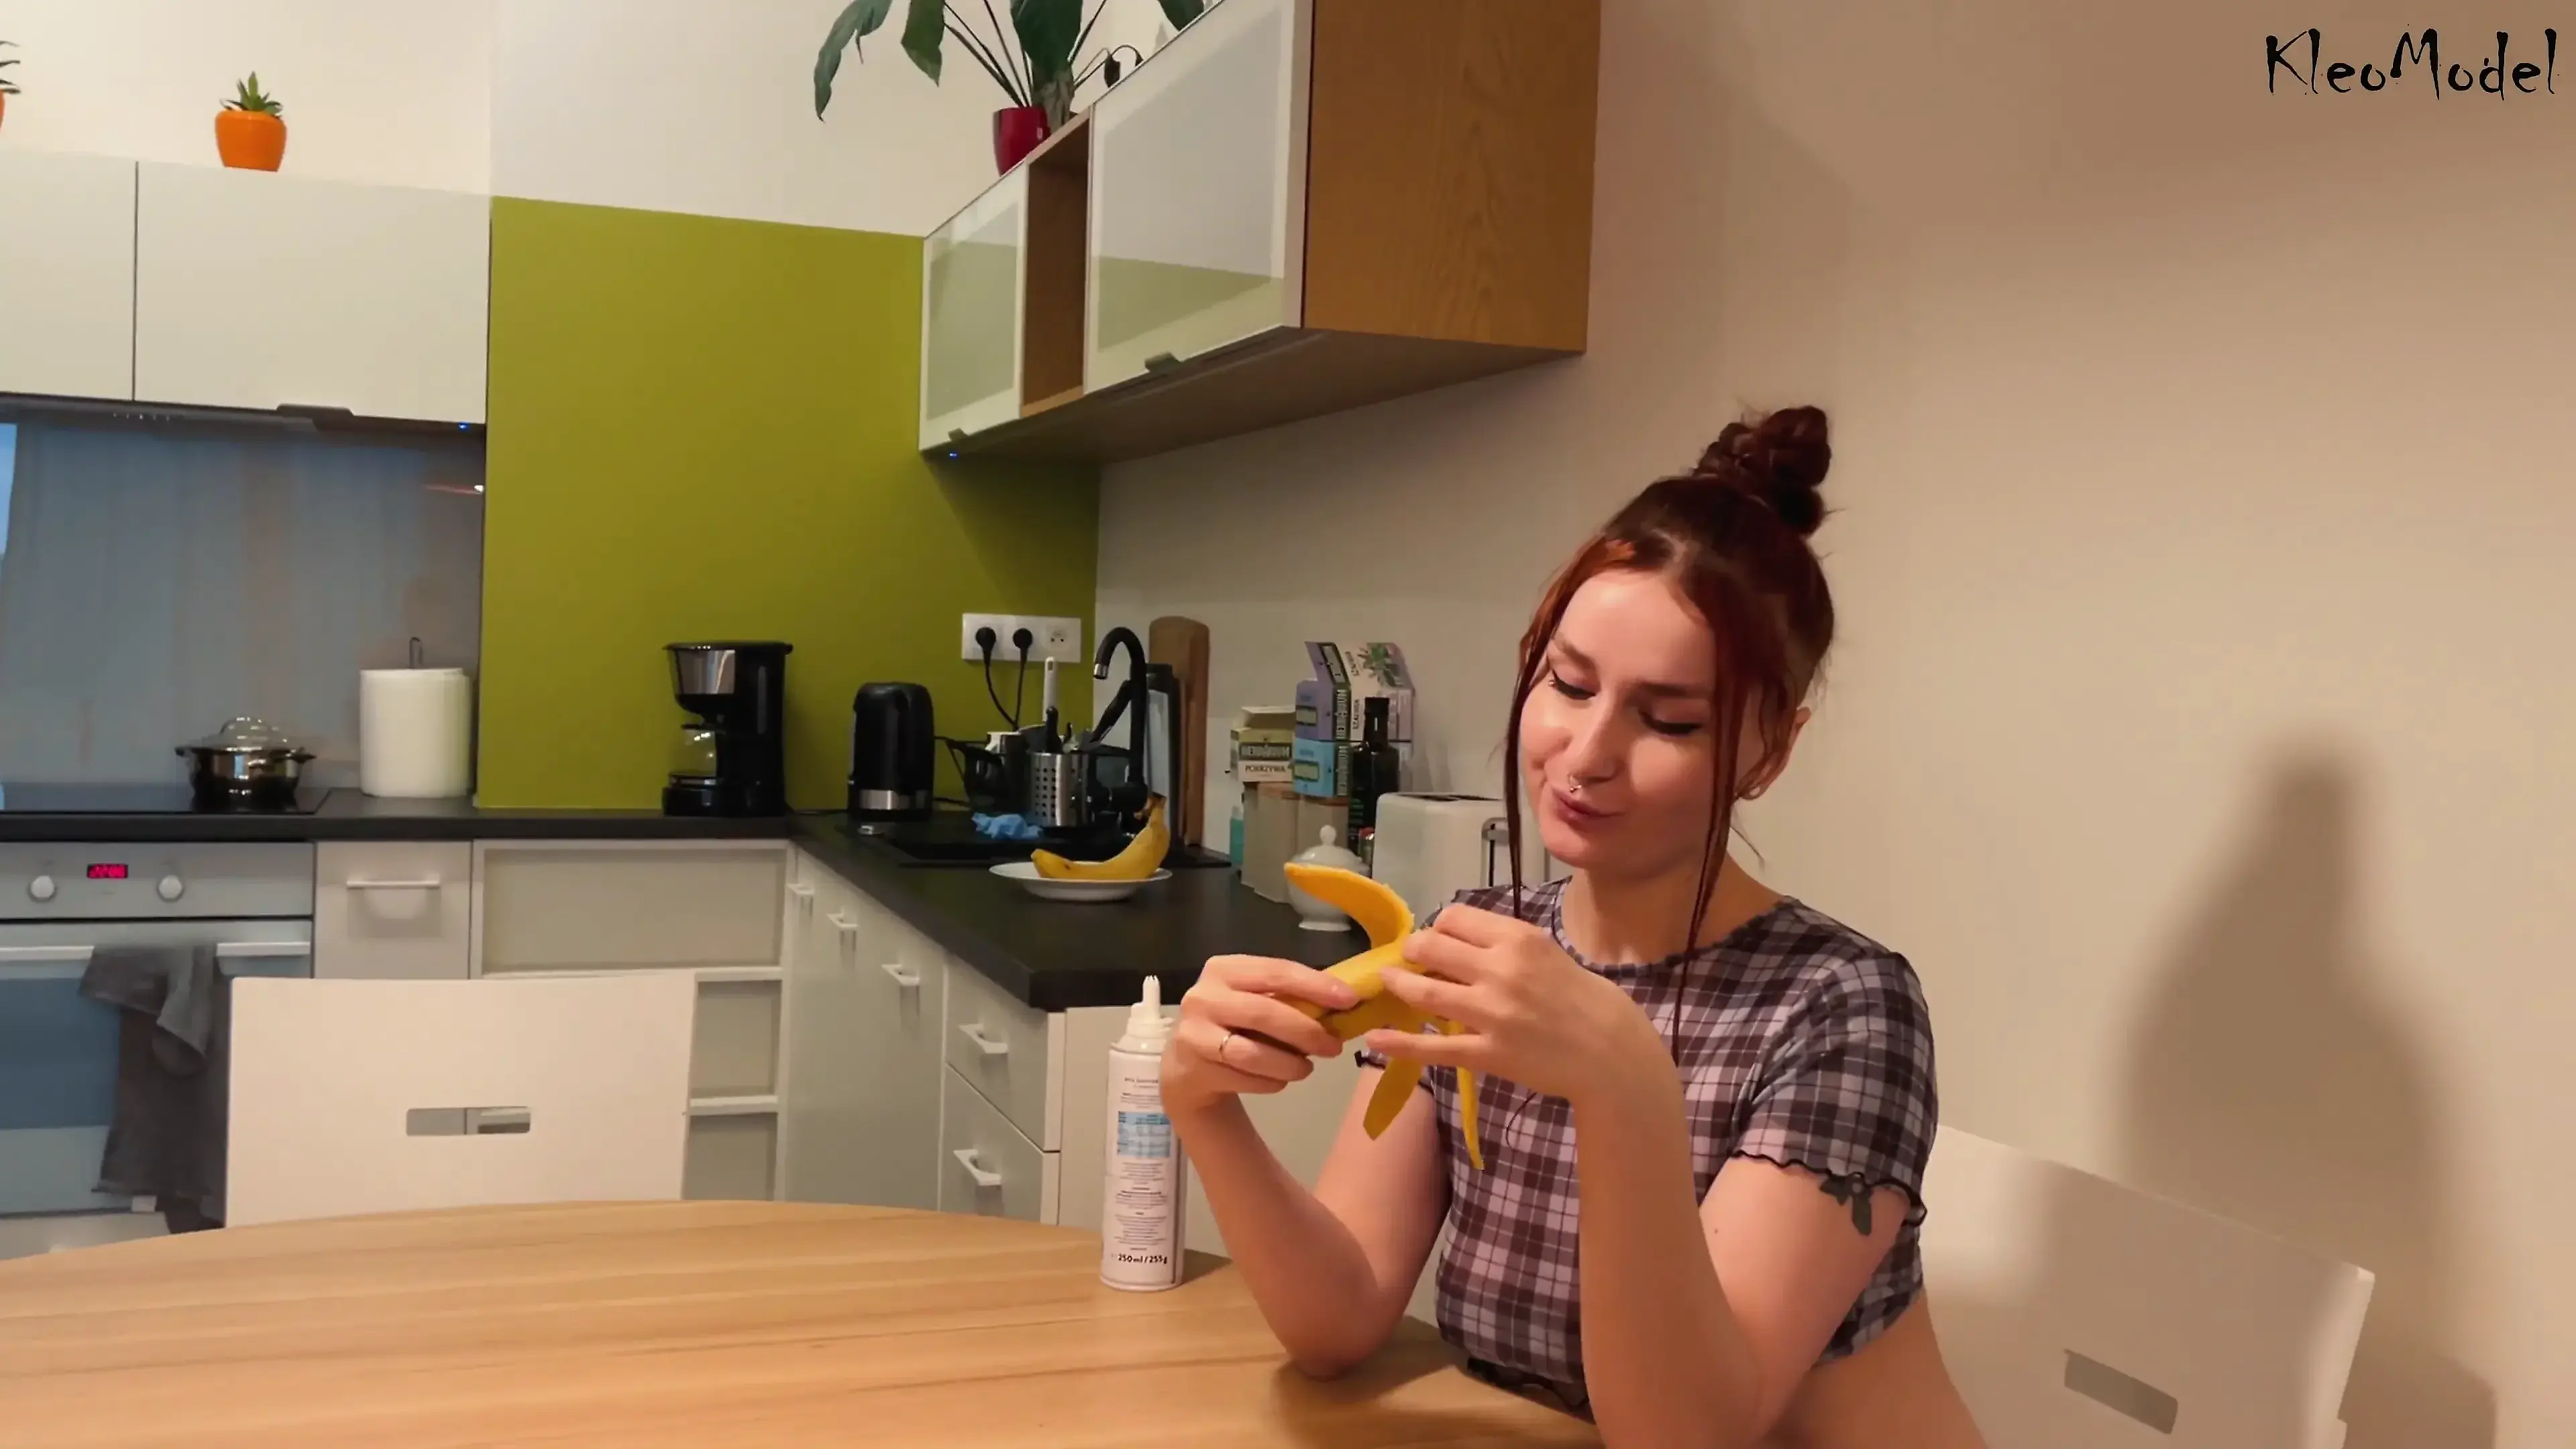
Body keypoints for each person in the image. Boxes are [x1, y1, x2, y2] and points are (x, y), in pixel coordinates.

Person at [1165, 406, 1988, 1447]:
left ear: (1771, 750)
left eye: (1670, 720)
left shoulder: (1842, 1010)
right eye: (1569, 683)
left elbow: (1684, 1434)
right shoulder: (1472, 944)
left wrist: (1623, 1083)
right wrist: (1203, 1108)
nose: (1587, 753)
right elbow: (1339, 1317)